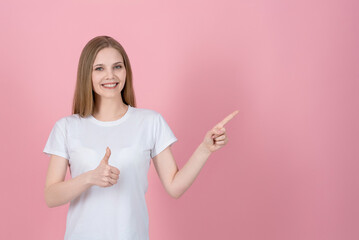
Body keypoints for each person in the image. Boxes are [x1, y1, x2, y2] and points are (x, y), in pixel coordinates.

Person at [43, 35, 238, 240]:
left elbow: (174, 187)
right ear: (87, 75)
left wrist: (205, 149)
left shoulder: (150, 122)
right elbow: (51, 196)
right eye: (99, 68)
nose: (110, 75)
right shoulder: (66, 127)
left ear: (126, 71)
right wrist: (90, 177)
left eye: (117, 67)